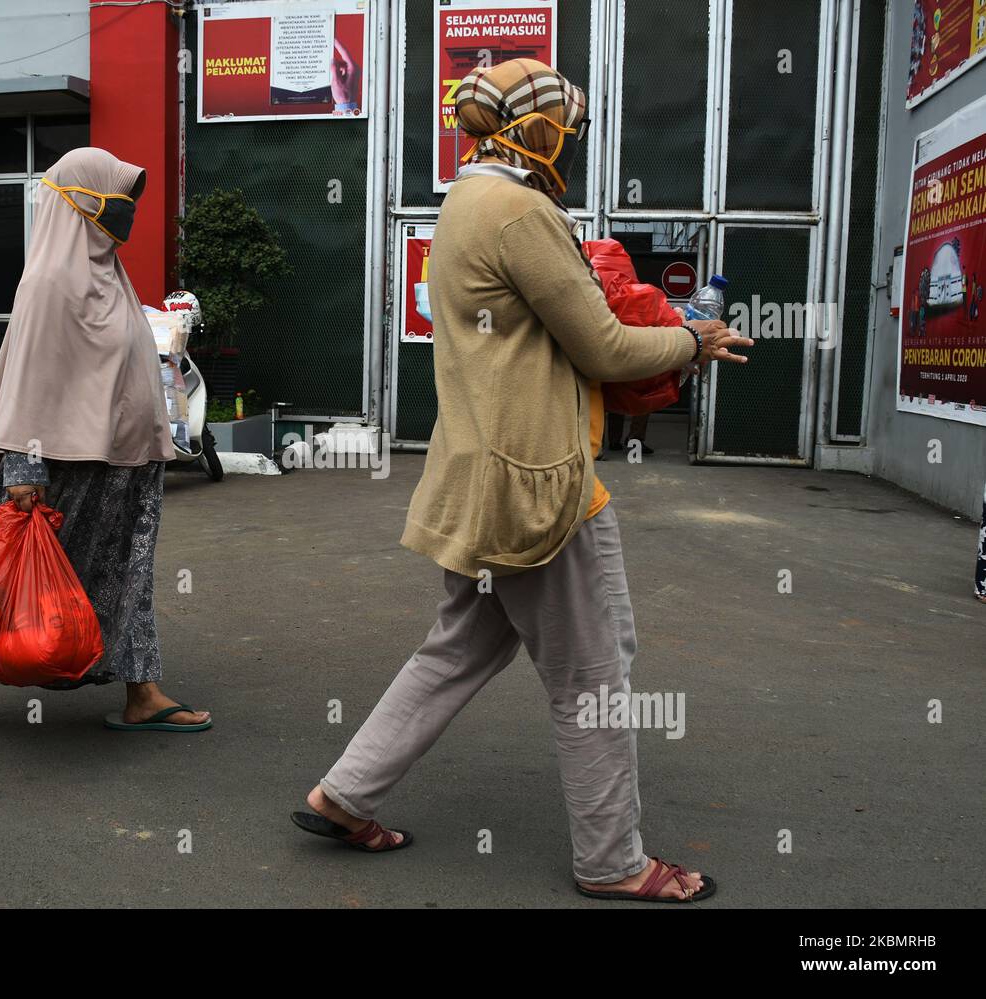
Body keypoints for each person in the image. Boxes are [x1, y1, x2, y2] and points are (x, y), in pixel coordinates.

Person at [292, 59, 752, 901]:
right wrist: (694, 341)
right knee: (595, 677)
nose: (570, 138)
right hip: (540, 489)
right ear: (535, 127)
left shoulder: (466, 199)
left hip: (480, 479)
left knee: (460, 646)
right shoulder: (519, 210)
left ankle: (344, 793)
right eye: (564, 124)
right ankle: (615, 861)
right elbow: (606, 348)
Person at [0, 147, 211, 735]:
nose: (126, 210)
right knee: (8, 572)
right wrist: (22, 466)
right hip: (62, 463)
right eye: (116, 197)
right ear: (79, 202)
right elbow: (29, 376)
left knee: (127, 575)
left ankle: (140, 690)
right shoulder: (49, 280)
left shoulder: (105, 270)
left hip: (125, 460)